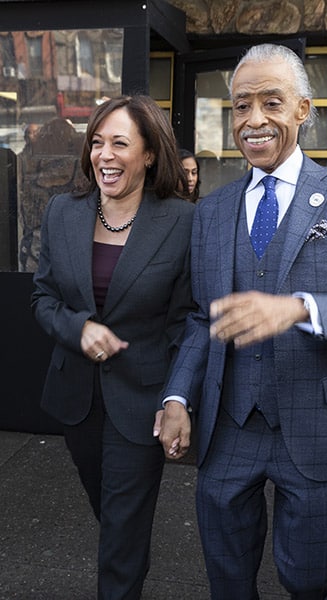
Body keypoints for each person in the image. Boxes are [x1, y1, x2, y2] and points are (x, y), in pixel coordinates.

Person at [155, 44, 327, 600]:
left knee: (310, 579)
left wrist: (300, 307)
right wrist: (177, 398)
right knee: (228, 579)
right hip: (229, 430)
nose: (254, 120)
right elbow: (202, 318)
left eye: (272, 102)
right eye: (242, 106)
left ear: (302, 110)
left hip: (318, 430)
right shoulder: (212, 212)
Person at [32, 94, 195, 599]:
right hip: (76, 401)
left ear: (149, 154)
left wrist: (177, 398)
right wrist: (77, 328)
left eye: (120, 143)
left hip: (141, 401)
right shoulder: (62, 211)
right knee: (114, 516)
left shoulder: (183, 222)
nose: (105, 154)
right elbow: (43, 296)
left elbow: (188, 320)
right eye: (97, 142)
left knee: (122, 534)